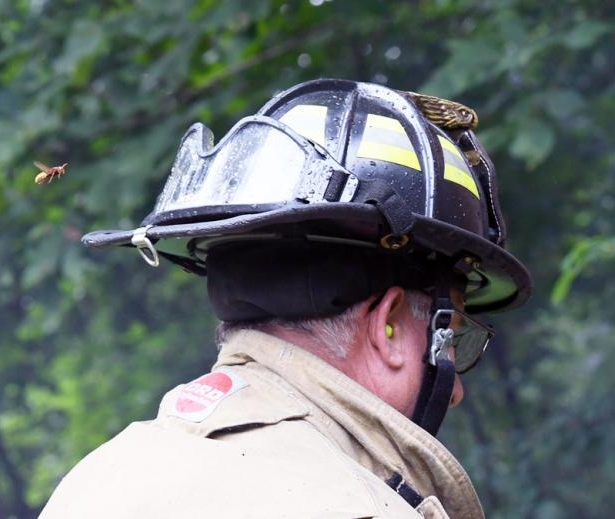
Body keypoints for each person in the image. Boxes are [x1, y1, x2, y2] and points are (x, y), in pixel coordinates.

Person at [40, 79, 532, 518]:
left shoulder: (97, 479)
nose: (456, 390)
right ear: (390, 323)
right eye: (453, 340)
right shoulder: (358, 508)